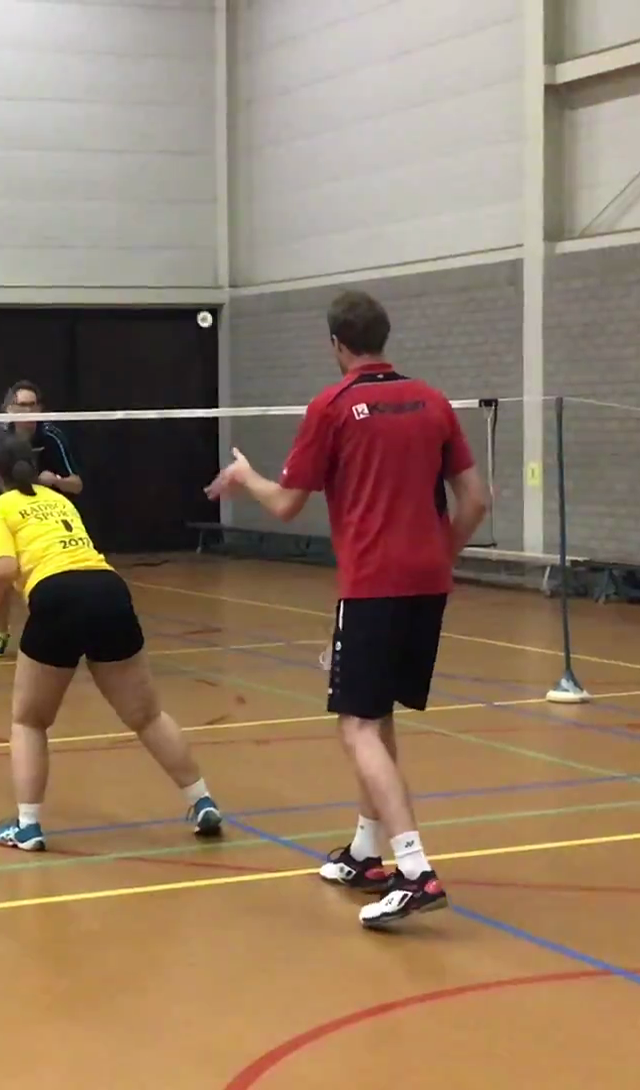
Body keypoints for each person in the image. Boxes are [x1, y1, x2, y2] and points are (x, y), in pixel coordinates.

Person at [205, 289, 489, 930]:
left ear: (336, 343)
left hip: (372, 587)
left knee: (356, 726)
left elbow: (286, 504)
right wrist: (439, 556)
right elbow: (476, 500)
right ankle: (367, 854)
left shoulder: (331, 407)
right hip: (428, 583)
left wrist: (245, 477)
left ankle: (414, 870)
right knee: (378, 717)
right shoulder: (434, 401)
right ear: (384, 337)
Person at [0, 431, 221, 851]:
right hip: (108, 590)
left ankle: (28, 826)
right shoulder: (60, 500)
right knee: (147, 715)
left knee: (29, 721)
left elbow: (5, 568)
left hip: (57, 597)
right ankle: (202, 801)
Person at [0, 381, 82, 658]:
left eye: (33, 405)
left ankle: (54, 628)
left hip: (43, 514)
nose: (28, 411)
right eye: (22, 405)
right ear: (9, 409)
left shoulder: (52, 437)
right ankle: (2, 631)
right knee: (2, 578)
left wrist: (56, 480)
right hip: (9, 515)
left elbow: (77, 485)